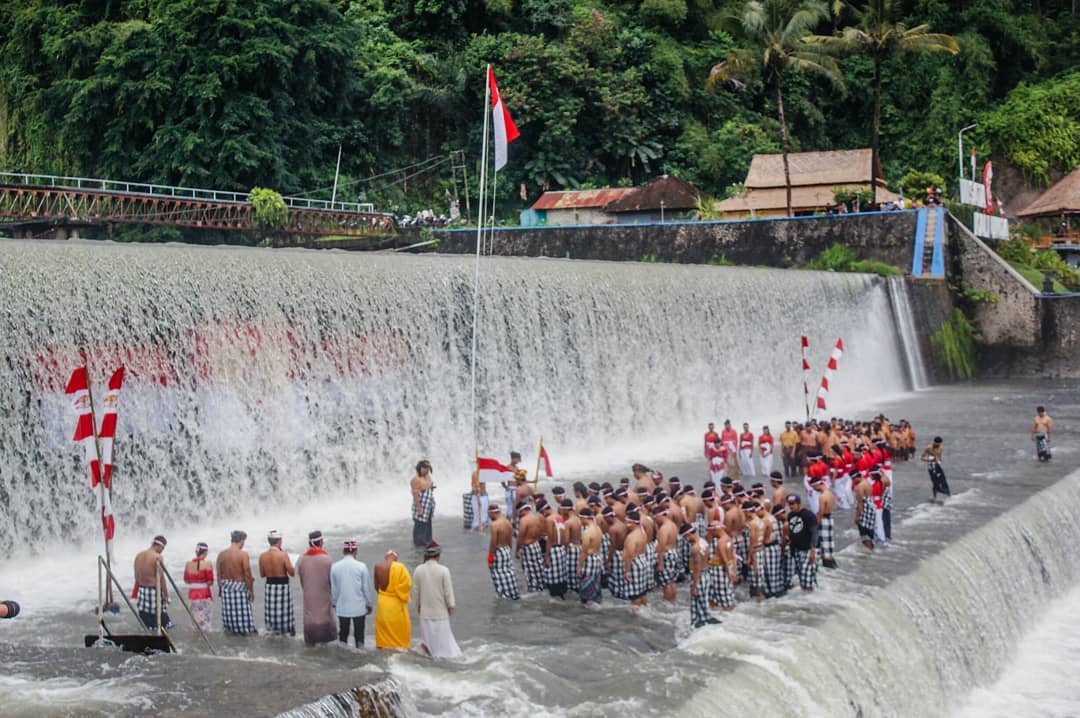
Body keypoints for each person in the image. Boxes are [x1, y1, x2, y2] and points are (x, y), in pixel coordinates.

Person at [411, 541, 462, 659]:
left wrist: (418, 607)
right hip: (441, 614)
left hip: (425, 614)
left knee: (429, 644)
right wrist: (451, 606)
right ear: (438, 555)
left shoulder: (418, 570)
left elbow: (415, 593)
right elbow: (448, 592)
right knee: (445, 647)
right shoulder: (444, 570)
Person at [331, 539, 375, 649]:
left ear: (343, 551)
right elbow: (365, 588)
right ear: (355, 552)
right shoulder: (361, 566)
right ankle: (360, 657)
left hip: (342, 606)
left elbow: (334, 590)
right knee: (359, 636)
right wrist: (369, 604)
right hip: (359, 607)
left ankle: (341, 658)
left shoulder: (335, 567)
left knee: (343, 635)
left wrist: (335, 603)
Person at [297, 530, 336, 645]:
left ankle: (310, 640)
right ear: (321, 542)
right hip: (324, 595)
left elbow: (302, 581)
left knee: (310, 618)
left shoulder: (302, 560)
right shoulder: (327, 559)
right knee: (325, 617)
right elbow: (332, 582)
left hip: (309, 595)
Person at [217, 530, 256, 635]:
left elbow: (219, 576)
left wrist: (221, 590)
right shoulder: (243, 554)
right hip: (240, 589)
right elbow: (247, 574)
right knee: (244, 619)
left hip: (226, 589)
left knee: (229, 619)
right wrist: (251, 591)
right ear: (242, 541)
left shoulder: (221, 555)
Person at [258, 530, 296, 637]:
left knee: (271, 612)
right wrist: (291, 563)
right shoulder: (283, 555)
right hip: (282, 585)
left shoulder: (262, 556)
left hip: (270, 585)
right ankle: (286, 632)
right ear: (279, 541)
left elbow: (262, 574)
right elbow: (292, 573)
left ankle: (272, 631)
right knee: (285, 613)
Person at [375, 549, 412, 649]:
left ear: (386, 557)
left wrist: (385, 594)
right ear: (395, 558)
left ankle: (381, 648)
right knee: (398, 635)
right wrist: (397, 591)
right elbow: (407, 585)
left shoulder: (378, 566)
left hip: (382, 602)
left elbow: (376, 587)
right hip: (395, 603)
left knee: (383, 635)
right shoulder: (400, 567)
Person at [134, 535, 173, 631]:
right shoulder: (157, 557)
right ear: (159, 546)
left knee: (148, 625)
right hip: (153, 592)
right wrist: (166, 595)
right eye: (163, 548)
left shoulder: (139, 555)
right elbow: (161, 578)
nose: (162, 551)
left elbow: (136, 576)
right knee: (165, 624)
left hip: (142, 591)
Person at [785, 495, 818, 592]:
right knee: (801, 578)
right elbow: (792, 531)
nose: (791, 506)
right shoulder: (790, 515)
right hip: (797, 549)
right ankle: (807, 599)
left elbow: (815, 532)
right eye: (789, 504)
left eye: (793, 504)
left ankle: (812, 595)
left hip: (808, 549)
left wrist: (813, 550)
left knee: (807, 578)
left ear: (799, 504)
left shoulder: (808, 515)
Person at [487, 505, 520, 600]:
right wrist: (509, 551)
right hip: (506, 549)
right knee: (509, 573)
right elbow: (510, 539)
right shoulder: (507, 522)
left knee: (498, 575)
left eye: (489, 514)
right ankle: (513, 594)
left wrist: (490, 559)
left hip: (498, 551)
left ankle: (503, 596)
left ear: (492, 513)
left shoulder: (495, 525)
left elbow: (493, 543)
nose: (489, 517)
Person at [183, 542, 214, 632]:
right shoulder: (207, 564)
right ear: (205, 552)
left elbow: (186, 580)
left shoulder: (188, 564)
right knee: (206, 621)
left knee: (195, 620)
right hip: (204, 595)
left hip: (192, 595)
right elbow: (210, 582)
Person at [515, 502, 546, 592]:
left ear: (523, 510)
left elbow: (520, 537)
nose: (520, 515)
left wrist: (517, 550)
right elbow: (542, 532)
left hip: (528, 548)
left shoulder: (524, 520)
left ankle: (533, 589)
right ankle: (541, 587)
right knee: (538, 568)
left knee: (530, 571)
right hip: (536, 545)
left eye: (520, 512)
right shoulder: (538, 517)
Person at [577, 508, 604, 607]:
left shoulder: (587, 532)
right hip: (597, 558)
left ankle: (589, 606)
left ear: (584, 518)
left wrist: (579, 567)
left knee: (586, 587)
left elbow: (584, 551)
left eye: (580, 518)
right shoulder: (598, 529)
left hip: (589, 560)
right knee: (595, 584)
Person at [811, 478, 838, 569]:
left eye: (814, 487)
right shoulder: (830, 494)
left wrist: (816, 524)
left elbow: (821, 512)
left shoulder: (822, 497)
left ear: (818, 485)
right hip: (830, 518)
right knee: (829, 543)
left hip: (824, 520)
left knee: (823, 544)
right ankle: (831, 562)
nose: (814, 489)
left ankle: (827, 564)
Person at [411, 460, 436, 547]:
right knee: (419, 525)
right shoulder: (416, 479)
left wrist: (431, 487)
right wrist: (419, 508)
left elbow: (428, 487)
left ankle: (428, 541)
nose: (426, 470)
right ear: (419, 468)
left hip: (428, 505)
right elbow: (415, 494)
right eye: (424, 468)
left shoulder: (428, 477)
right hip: (421, 505)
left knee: (428, 524)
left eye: (428, 468)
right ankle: (418, 544)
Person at [853, 473, 876, 550]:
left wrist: (857, 516)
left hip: (865, 510)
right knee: (870, 532)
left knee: (864, 535)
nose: (853, 481)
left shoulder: (860, 487)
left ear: (857, 477)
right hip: (871, 508)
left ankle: (868, 550)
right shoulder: (867, 482)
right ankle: (872, 550)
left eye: (853, 479)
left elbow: (860, 503)